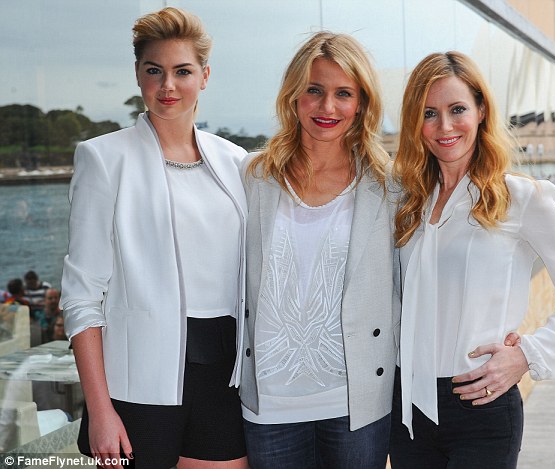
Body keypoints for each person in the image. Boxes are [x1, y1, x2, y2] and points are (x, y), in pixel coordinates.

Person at [389, 51, 555, 468]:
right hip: (406, 411)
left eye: (457, 110)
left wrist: (527, 355)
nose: (444, 126)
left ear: (482, 111)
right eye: (429, 113)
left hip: (482, 406)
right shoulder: (404, 200)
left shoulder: (523, 199)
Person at [60, 7, 248, 469]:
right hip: (138, 383)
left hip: (226, 372)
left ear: (204, 76)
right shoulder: (103, 159)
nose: (168, 86)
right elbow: (83, 296)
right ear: (138, 75)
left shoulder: (238, 162)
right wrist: (100, 410)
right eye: (154, 71)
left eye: (182, 71)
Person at [240, 32, 400, 469]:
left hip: (357, 403)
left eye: (343, 94)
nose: (328, 107)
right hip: (269, 405)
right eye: (314, 90)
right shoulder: (254, 178)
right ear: (293, 97)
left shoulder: (389, 186)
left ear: (362, 104)